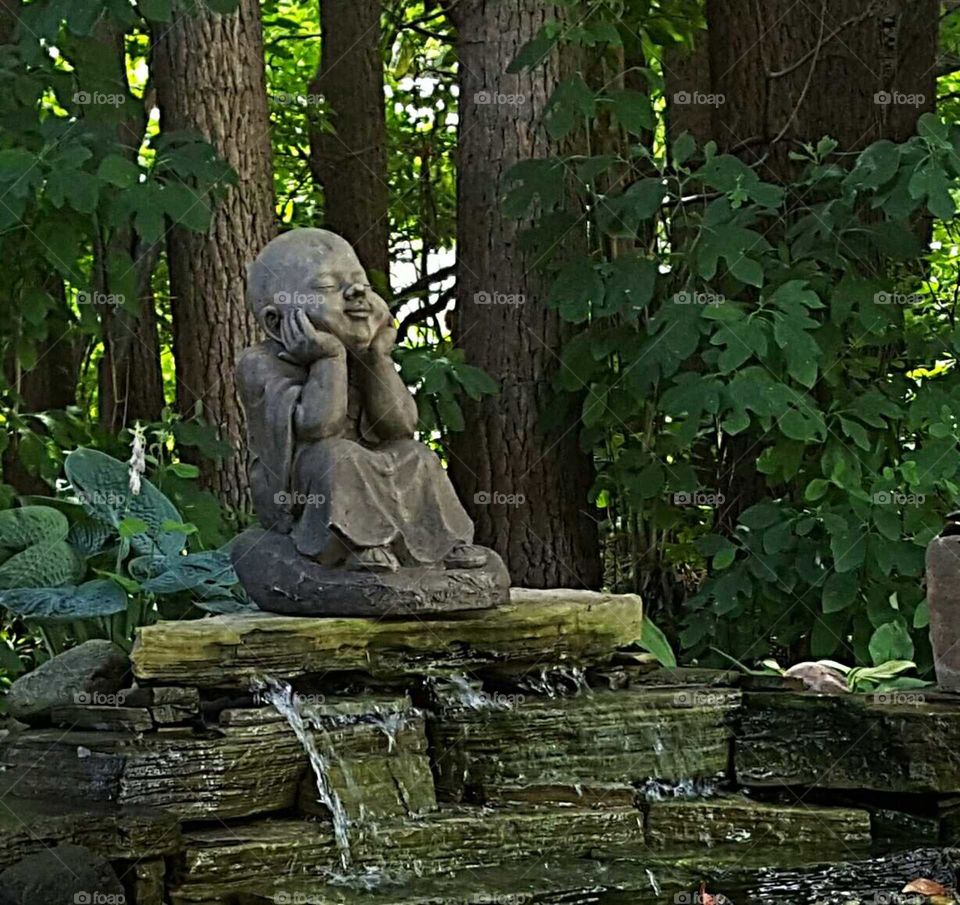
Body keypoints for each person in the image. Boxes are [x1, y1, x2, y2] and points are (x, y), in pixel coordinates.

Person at [238, 228, 486, 574]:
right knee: (336, 455)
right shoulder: (261, 363)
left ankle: (438, 543)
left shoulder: (365, 353)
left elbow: (400, 425)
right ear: (276, 321)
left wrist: (378, 358)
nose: (355, 292)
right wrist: (330, 358)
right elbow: (318, 426)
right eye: (327, 287)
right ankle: (357, 544)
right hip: (301, 489)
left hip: (366, 464)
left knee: (417, 455)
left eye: (361, 284)